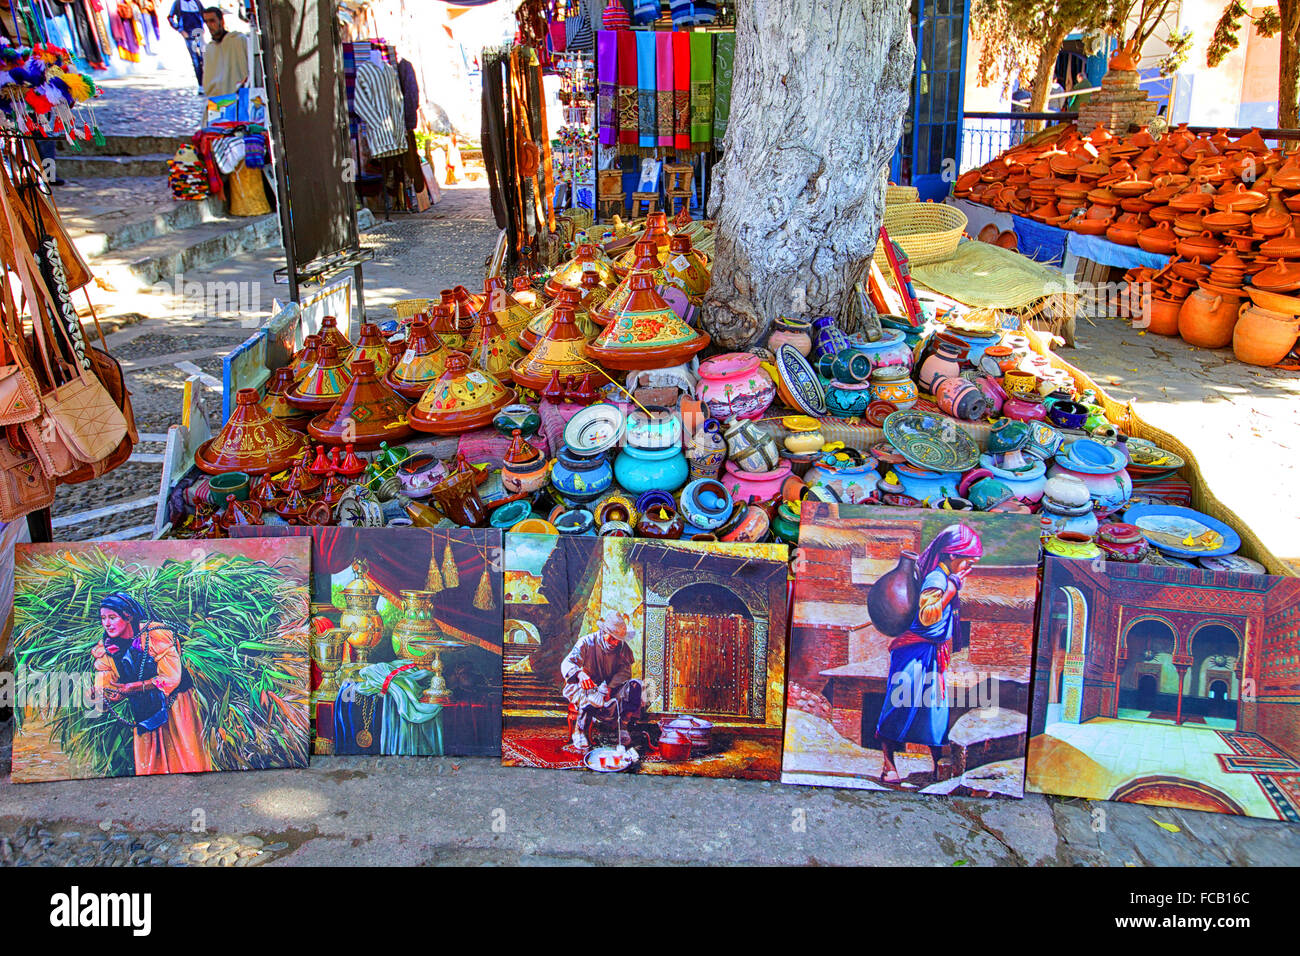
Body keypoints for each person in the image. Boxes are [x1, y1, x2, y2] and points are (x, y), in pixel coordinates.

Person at [876, 524, 983, 786]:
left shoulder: (944, 576)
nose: (969, 566)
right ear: (952, 555)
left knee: (933, 709)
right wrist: (952, 588)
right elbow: (927, 615)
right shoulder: (937, 578)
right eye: (967, 561)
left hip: (932, 653)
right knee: (900, 704)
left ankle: (937, 765)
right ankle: (888, 763)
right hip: (914, 652)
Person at [92, 593, 213, 776]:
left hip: (176, 706)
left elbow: (172, 677)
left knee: (185, 759)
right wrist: (103, 696)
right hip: (144, 710)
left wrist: (135, 687)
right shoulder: (106, 648)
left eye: (112, 617)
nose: (107, 623)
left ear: (128, 616)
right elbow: (106, 684)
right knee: (152, 766)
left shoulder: (155, 634)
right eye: (103, 618)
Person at [561, 610, 642, 751]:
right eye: (612, 638)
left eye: (618, 639)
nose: (615, 643)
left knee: (636, 686)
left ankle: (622, 727)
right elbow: (568, 663)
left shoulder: (622, 647)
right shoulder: (586, 642)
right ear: (602, 632)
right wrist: (580, 674)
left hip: (612, 690)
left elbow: (625, 671)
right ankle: (580, 730)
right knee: (589, 693)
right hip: (589, 688)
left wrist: (610, 688)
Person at [200, 6, 248, 99]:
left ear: (221, 21)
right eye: (206, 22)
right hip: (217, 102)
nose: (209, 25)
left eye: (212, 21)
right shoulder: (209, 49)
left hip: (238, 99)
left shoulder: (238, 41)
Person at [167, 0, 207, 92]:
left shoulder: (197, 2)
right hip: (188, 36)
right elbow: (170, 18)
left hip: (198, 34)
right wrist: (180, 29)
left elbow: (204, 15)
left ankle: (207, 82)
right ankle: (200, 84)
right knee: (196, 61)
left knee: (204, 58)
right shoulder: (177, 3)